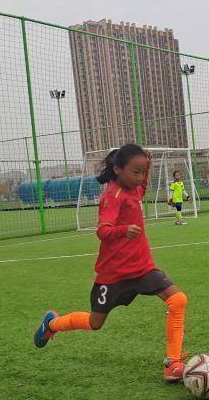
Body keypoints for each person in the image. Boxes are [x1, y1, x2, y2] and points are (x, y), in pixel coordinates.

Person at [33, 144, 189, 382]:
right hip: (113, 275)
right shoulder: (112, 196)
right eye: (135, 172)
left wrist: (148, 166)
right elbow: (103, 231)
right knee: (95, 323)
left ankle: (173, 363)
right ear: (117, 169)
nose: (139, 178)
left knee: (178, 299)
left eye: (142, 172)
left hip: (143, 268)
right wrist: (124, 230)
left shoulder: (134, 188)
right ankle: (52, 324)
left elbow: (142, 186)